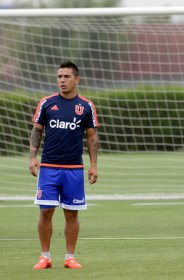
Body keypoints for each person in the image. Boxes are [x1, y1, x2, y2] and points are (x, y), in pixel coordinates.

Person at [29, 61, 99, 270]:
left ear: (76, 79)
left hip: (74, 169)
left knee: (71, 213)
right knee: (46, 211)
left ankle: (70, 257)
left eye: (66, 77)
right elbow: (37, 131)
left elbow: (92, 138)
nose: (62, 80)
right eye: (59, 76)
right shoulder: (46, 103)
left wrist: (93, 165)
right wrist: (32, 157)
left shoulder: (86, 106)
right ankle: (45, 257)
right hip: (49, 167)